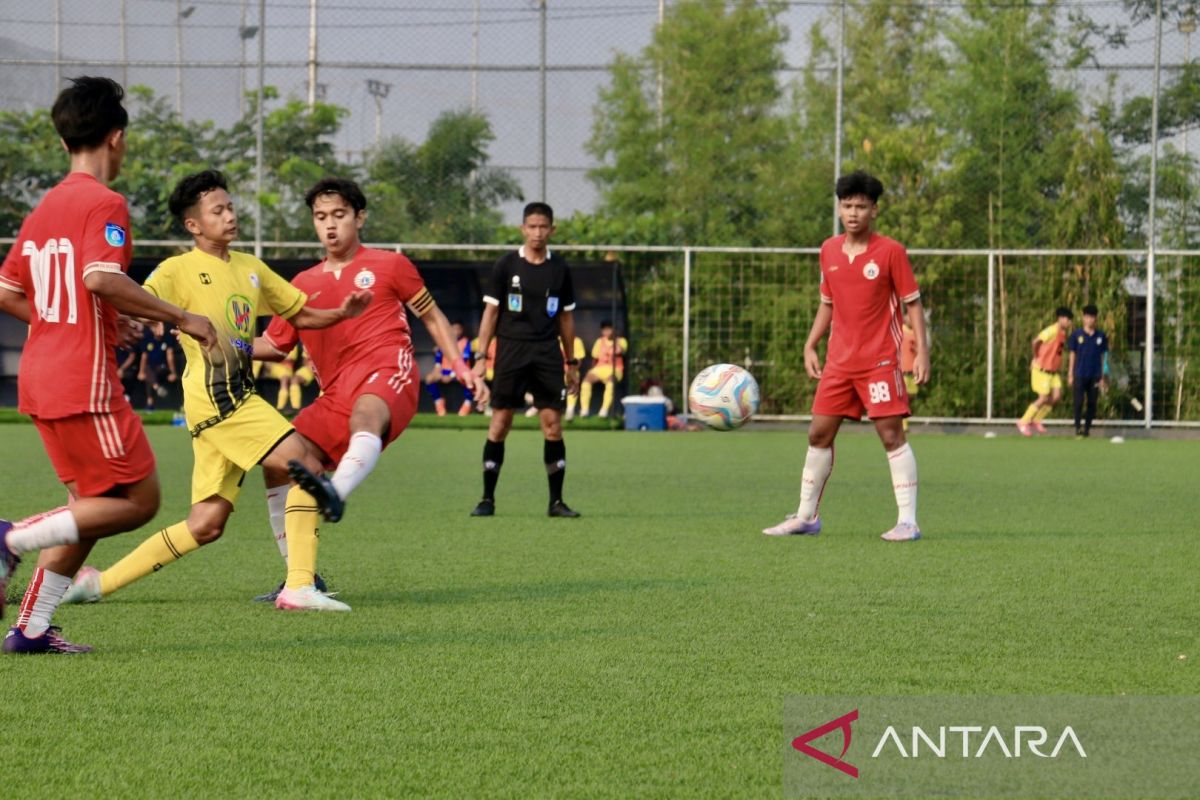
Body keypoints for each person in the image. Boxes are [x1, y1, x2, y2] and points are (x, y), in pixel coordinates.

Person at [61, 169, 369, 613]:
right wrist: (137, 320)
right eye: (217, 210)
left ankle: (98, 583)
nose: (229, 215)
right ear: (194, 225)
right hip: (216, 395)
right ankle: (300, 585)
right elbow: (131, 296)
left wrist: (341, 312)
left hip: (229, 399)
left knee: (206, 524)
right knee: (304, 460)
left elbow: (301, 316)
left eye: (230, 207)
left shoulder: (251, 268)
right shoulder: (177, 270)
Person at [0, 77, 217, 654]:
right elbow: (101, 277)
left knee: (88, 509)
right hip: (82, 381)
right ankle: (9, 539)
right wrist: (182, 318)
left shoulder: (46, 205)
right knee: (138, 502)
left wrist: (80, 318)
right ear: (116, 138)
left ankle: (32, 629)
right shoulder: (104, 202)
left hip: (40, 375)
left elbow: (6, 289)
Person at [254, 177, 489, 599]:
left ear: (359, 218)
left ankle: (335, 493)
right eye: (321, 217)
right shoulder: (302, 285)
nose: (330, 226)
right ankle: (300, 577)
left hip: (388, 371)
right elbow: (273, 346)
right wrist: (215, 338)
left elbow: (432, 317)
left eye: (339, 215)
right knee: (276, 460)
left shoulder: (391, 265)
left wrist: (461, 366)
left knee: (366, 414)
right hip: (332, 397)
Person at [762, 170, 929, 542]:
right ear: (839, 208)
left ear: (875, 211)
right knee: (818, 432)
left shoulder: (891, 252)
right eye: (847, 205)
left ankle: (907, 521)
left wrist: (922, 354)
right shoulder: (829, 250)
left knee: (890, 435)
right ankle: (806, 516)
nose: (853, 213)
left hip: (881, 362)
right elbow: (828, 303)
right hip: (839, 362)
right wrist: (810, 344)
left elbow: (913, 304)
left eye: (862, 206)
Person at [470, 202, 581, 518]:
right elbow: (491, 313)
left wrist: (571, 363)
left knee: (553, 426)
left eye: (543, 226)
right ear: (522, 228)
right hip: (511, 351)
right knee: (501, 423)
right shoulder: (506, 265)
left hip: (547, 352)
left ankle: (556, 502)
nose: (537, 232)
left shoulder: (560, 269)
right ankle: (487, 499)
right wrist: (481, 356)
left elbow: (566, 320)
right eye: (531, 226)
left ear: (552, 230)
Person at [1017, 307, 1073, 436]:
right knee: (1043, 398)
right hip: (1042, 370)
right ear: (1061, 319)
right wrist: (1036, 357)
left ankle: (1036, 419)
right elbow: (1035, 341)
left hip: (1053, 372)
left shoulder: (1063, 333)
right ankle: (1023, 421)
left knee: (1056, 397)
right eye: (1068, 319)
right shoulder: (1052, 330)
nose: (1070, 322)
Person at [1067, 304, 1109, 438]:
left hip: (1095, 375)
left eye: (1092, 317)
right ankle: (1077, 427)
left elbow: (1104, 357)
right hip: (1080, 374)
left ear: (1096, 319)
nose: (1089, 320)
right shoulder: (1076, 335)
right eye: (1087, 317)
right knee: (1078, 402)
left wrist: (1103, 376)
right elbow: (1072, 354)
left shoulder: (1101, 336)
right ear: (1083, 318)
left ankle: (1087, 429)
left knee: (1092, 403)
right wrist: (1070, 374)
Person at [576, 320, 628, 419]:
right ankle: (584, 410)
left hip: (615, 369)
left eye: (609, 329)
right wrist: (592, 371)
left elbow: (620, 351)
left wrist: (615, 339)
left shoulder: (621, 341)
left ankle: (604, 410)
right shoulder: (599, 341)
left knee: (610, 382)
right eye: (605, 330)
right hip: (600, 368)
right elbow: (595, 357)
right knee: (586, 380)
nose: (607, 332)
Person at [424, 320, 475, 416]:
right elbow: (438, 360)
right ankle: (439, 402)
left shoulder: (466, 342)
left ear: (461, 330)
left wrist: (452, 375)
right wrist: (436, 371)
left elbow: (464, 361)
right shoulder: (444, 341)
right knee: (429, 379)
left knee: (469, 382)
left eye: (457, 329)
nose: (455, 331)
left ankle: (467, 404)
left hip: (461, 371)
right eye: (453, 329)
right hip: (445, 370)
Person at [137, 321, 178, 411]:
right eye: (156, 327)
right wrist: (141, 371)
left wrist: (173, 372)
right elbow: (144, 356)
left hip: (163, 368)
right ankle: (156, 388)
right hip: (150, 368)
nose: (160, 331)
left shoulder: (167, 337)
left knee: (150, 374)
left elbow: (169, 356)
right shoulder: (147, 337)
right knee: (148, 371)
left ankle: (150, 402)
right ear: (151, 328)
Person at [268, 343, 314, 416]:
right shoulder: (306, 346)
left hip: (311, 369)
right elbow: (304, 361)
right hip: (282, 368)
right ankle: (284, 408)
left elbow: (291, 360)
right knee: (289, 379)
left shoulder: (295, 346)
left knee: (289, 379)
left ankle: (289, 408)